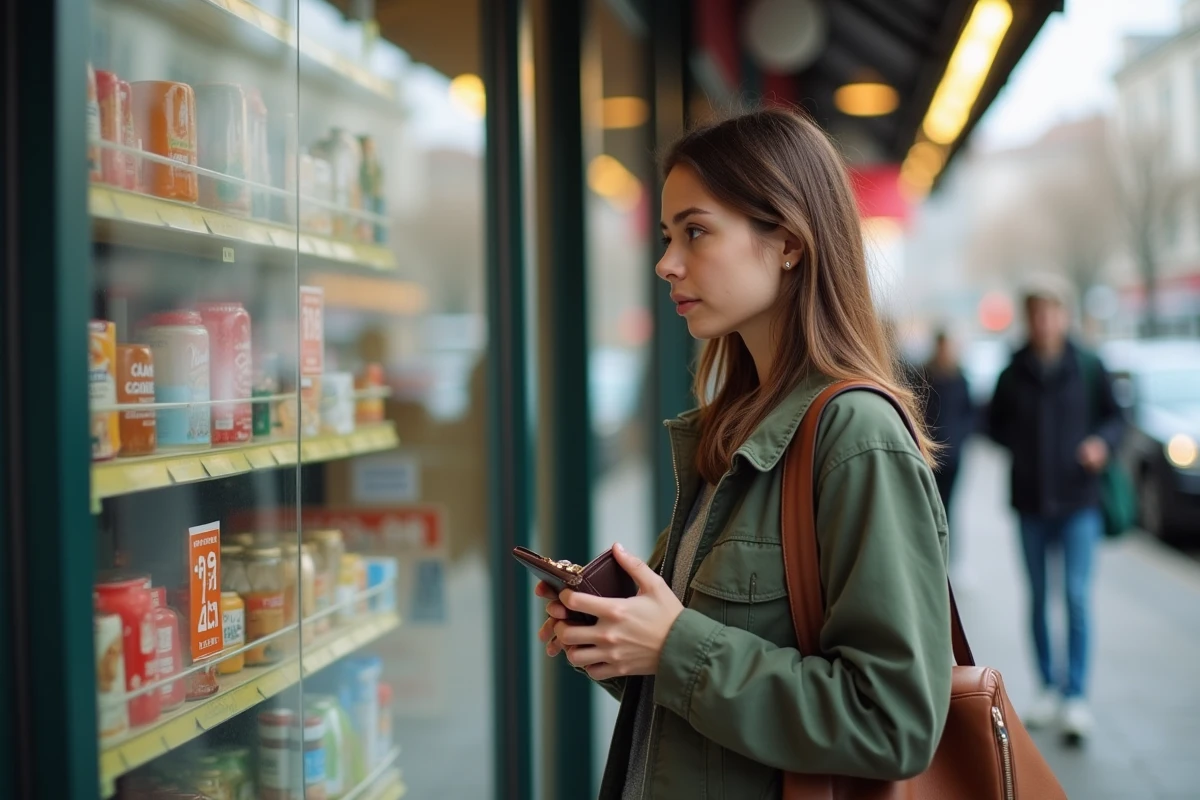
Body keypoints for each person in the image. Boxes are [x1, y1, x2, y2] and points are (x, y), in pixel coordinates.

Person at [534, 108, 953, 798]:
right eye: (669, 236)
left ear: (787, 241)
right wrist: (619, 642)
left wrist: (674, 647)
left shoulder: (854, 436)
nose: (667, 263)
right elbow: (707, 708)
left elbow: (894, 723)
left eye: (696, 232)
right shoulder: (731, 431)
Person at [987, 276, 1124, 745]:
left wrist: (1101, 445)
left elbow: (1116, 418)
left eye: (1052, 311)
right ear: (1029, 318)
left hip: (1079, 502)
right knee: (1039, 598)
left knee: (1078, 597)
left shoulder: (1088, 366)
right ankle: (1047, 685)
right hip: (1030, 503)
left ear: (1064, 315)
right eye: (1036, 312)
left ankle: (1076, 695)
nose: (1044, 321)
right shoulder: (1013, 371)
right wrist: (1024, 452)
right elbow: (994, 424)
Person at [916, 328, 976, 565]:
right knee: (927, 506)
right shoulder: (923, 376)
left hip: (954, 456)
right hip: (928, 454)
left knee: (949, 507)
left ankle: (947, 559)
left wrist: (962, 437)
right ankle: (928, 557)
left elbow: (970, 415)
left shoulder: (961, 379)